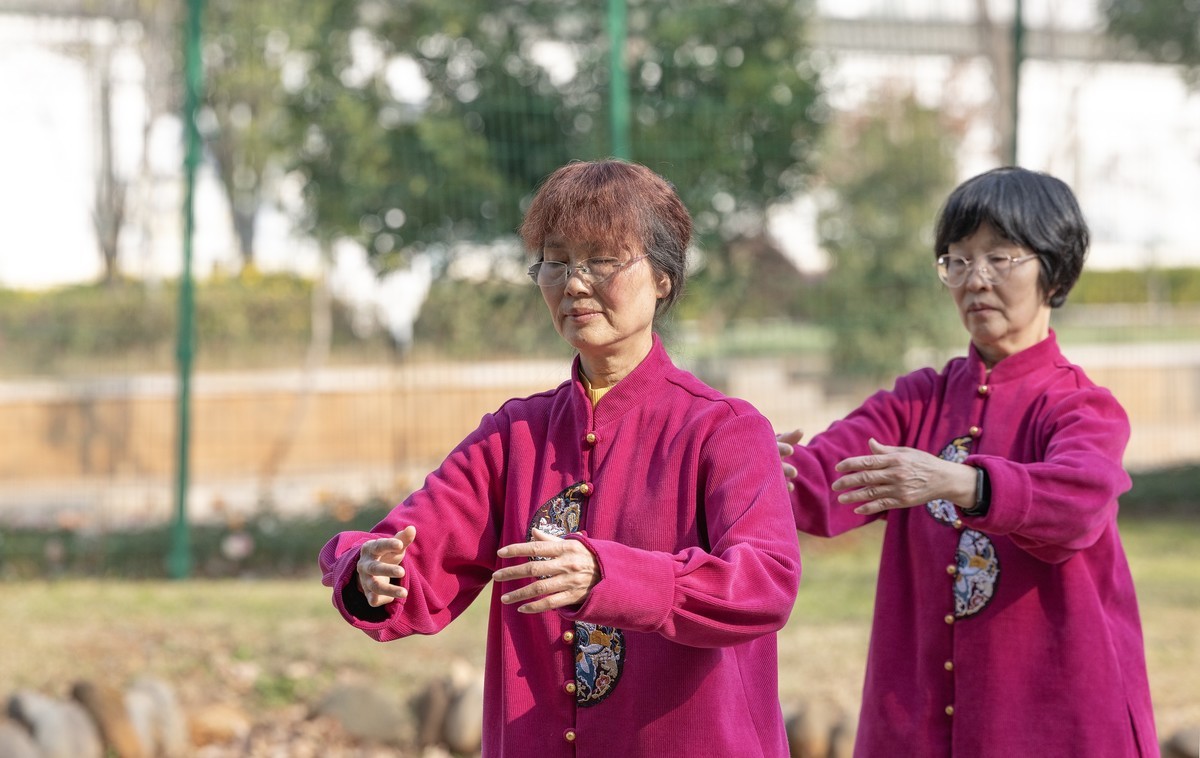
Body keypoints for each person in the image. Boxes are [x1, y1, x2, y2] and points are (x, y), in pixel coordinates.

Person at [320, 159, 802, 757]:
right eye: (554, 259)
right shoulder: (514, 435)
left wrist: (609, 575)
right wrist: (371, 571)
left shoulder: (724, 429)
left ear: (663, 278)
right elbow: (413, 554)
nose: (574, 283)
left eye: (602, 259)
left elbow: (764, 584)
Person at [778, 166, 1158, 757]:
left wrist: (957, 481)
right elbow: (828, 481)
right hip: (920, 718)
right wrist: (752, 464)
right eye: (957, 260)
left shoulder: (1081, 407)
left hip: (1058, 720)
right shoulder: (918, 401)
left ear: (1053, 271)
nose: (975, 279)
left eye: (999, 258)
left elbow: (1077, 504)